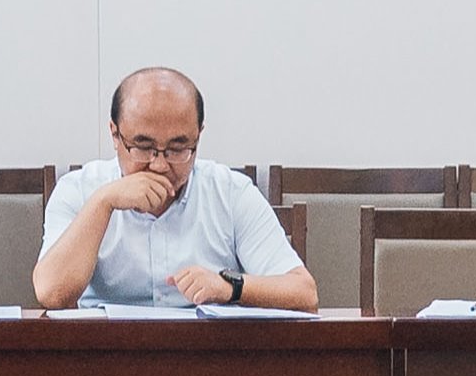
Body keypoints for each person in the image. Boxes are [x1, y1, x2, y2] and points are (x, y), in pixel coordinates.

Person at [30, 65, 307, 310]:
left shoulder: (231, 192)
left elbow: (303, 292)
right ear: (115, 134)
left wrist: (230, 288)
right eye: (143, 147)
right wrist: (103, 202)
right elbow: (52, 294)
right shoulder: (79, 190)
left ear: (198, 136)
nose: (160, 165)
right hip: (105, 348)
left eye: (177, 148)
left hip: (206, 349)